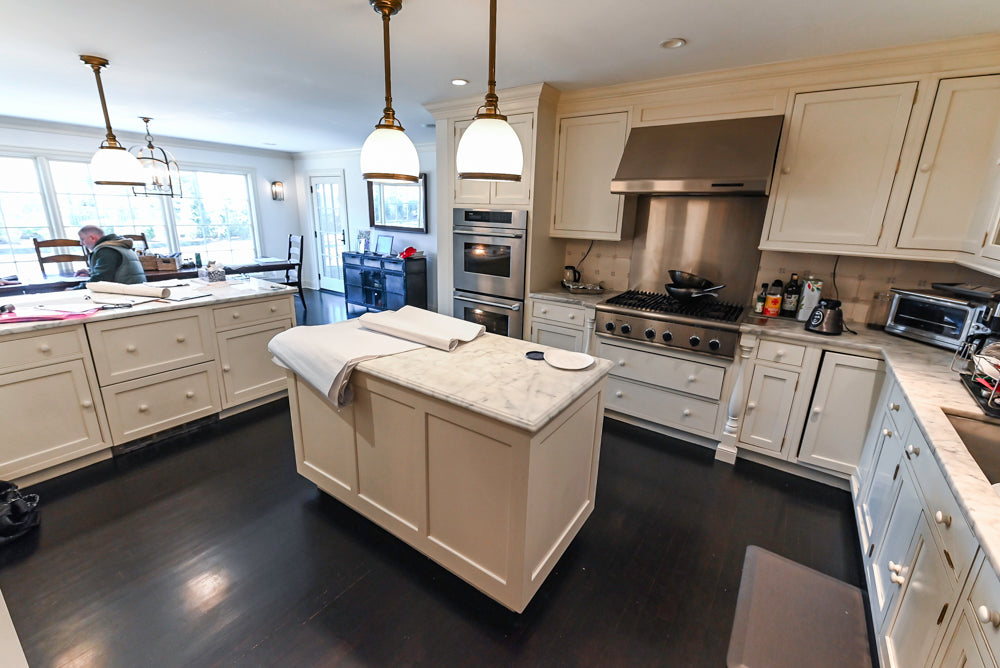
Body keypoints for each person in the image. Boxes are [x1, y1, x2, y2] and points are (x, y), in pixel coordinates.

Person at [76, 226, 146, 284]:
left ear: (92, 238)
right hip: (133, 293)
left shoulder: (106, 251)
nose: (81, 243)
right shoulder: (119, 246)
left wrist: (74, 289)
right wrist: (91, 273)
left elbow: (100, 282)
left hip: (124, 296)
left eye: (82, 239)